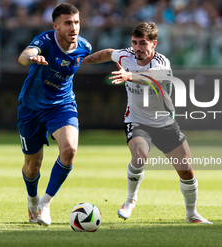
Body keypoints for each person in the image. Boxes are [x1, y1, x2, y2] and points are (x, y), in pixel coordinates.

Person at [82, 22, 212, 224]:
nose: (138, 48)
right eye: (134, 42)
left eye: (143, 43)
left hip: (165, 123)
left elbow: (152, 79)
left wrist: (129, 76)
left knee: (186, 170)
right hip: (137, 120)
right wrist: (82, 61)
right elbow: (108, 53)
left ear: (154, 44)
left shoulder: (161, 63)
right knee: (140, 155)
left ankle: (192, 214)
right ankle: (130, 200)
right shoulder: (126, 55)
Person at [17, 3, 91, 226]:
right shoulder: (46, 41)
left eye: (76, 22)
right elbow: (24, 55)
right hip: (31, 107)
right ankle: (32, 200)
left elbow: (93, 58)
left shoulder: (84, 47)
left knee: (69, 149)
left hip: (62, 105)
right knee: (33, 166)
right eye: (68, 23)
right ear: (55, 26)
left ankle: (45, 203)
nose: (74, 27)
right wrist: (33, 58)